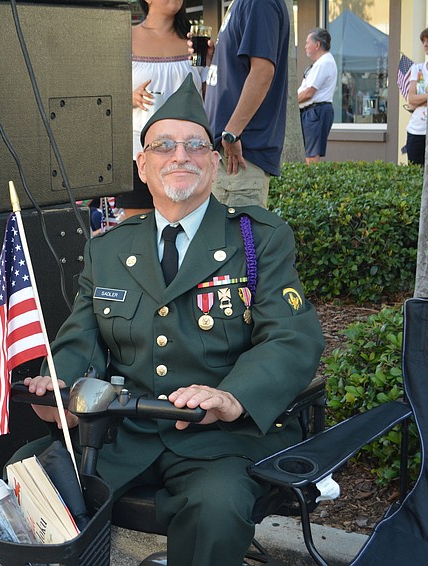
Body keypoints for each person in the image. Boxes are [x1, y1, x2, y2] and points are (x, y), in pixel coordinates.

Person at [16, 80, 324, 565]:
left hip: (220, 439)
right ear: (143, 165)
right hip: (125, 432)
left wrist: (231, 396)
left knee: (215, 507)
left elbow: (290, 336)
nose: (179, 156)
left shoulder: (257, 238)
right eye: (163, 145)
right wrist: (62, 390)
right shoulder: (110, 247)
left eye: (195, 145)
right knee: (29, 478)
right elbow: (83, 336)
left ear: (215, 162)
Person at [120, 0, 203, 219]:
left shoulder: (195, 40)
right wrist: (128, 97)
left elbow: (205, 94)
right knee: (138, 236)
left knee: (186, 231)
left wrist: (210, 62)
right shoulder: (124, 36)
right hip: (138, 153)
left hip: (187, 154)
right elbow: (101, 92)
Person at [203, 0, 289, 208]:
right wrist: (214, 59)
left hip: (239, 157)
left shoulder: (258, 3)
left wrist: (232, 132)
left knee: (242, 240)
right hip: (230, 156)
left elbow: (262, 71)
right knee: (230, 239)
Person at [297, 28, 337, 164]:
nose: (305, 46)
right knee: (308, 153)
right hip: (312, 111)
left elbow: (309, 93)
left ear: (318, 45)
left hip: (315, 111)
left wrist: (288, 104)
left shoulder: (324, 63)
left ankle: (312, 183)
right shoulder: (321, 63)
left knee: (311, 156)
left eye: (308, 42)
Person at [406, 25, 428, 167]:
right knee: (415, 173)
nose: (426, 44)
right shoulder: (417, 68)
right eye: (423, 40)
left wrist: (420, 100)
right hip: (416, 129)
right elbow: (411, 99)